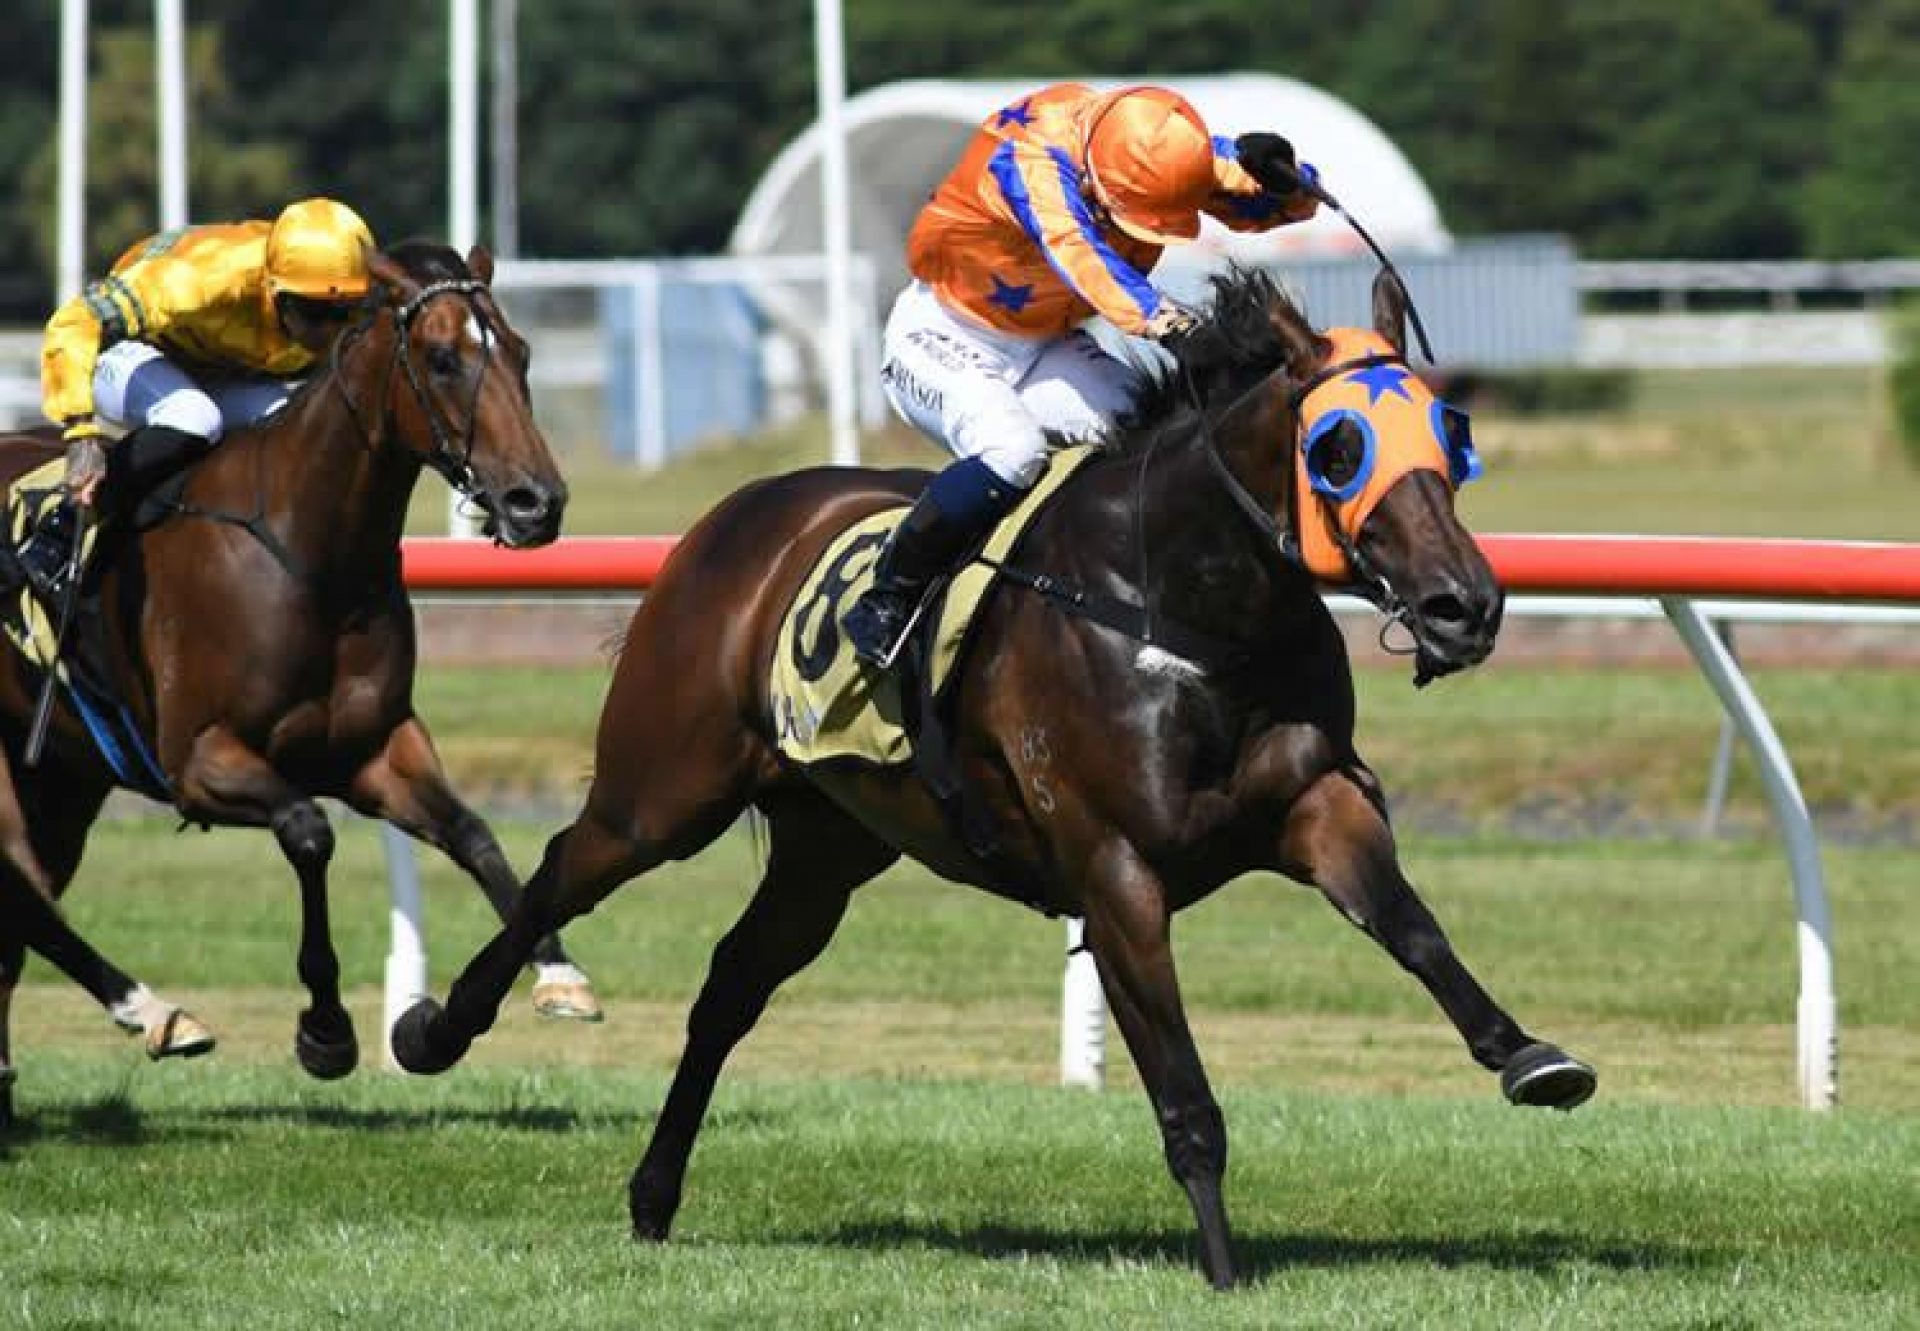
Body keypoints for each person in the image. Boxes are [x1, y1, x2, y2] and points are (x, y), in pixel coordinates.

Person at [840, 83, 1321, 667]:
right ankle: (890, 594)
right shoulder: (1028, 162)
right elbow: (1084, 258)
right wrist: (1178, 330)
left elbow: (1257, 199)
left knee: (1160, 439)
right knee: (1013, 451)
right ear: (1096, 179)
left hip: (1046, 344)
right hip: (943, 334)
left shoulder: (1158, 149)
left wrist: (1287, 181)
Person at [25, 197, 377, 599]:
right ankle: (64, 527)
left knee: (288, 421)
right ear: (274, 290)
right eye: (315, 313)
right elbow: (74, 321)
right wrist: (80, 433)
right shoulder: (207, 277)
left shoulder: (349, 288)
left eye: (346, 313)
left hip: (217, 363)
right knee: (193, 415)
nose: (331, 332)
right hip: (126, 349)